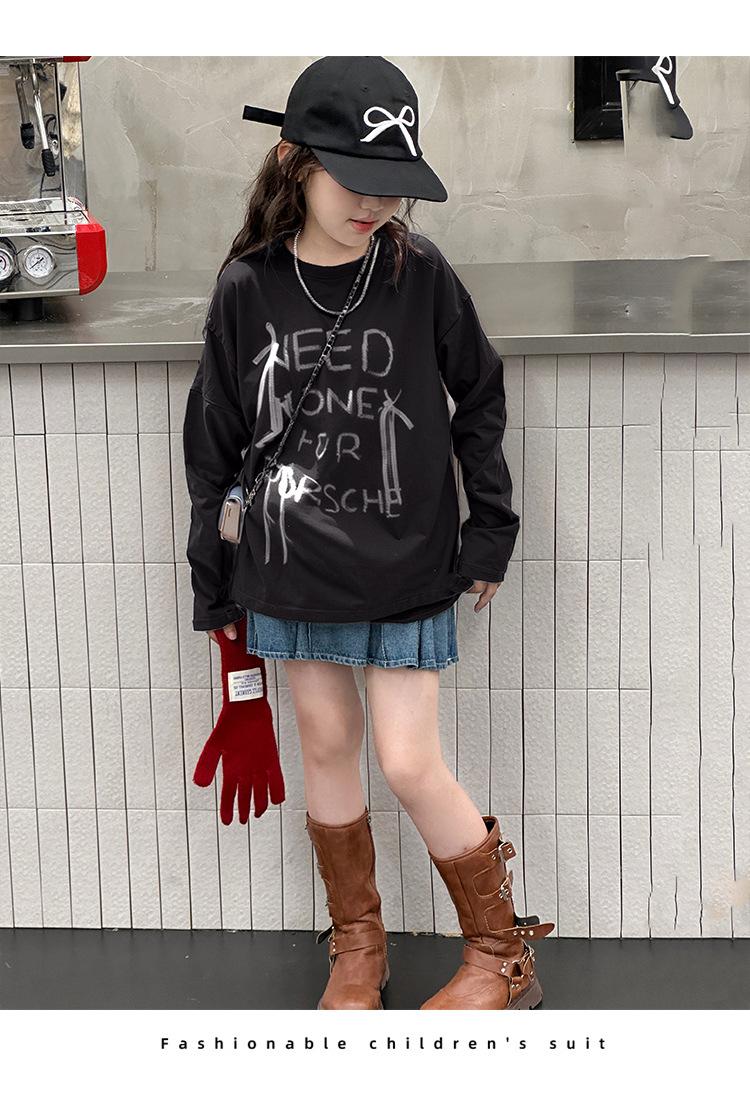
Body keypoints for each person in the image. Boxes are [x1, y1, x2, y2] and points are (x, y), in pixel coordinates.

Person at [183, 55, 554, 1011]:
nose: (377, 204)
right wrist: (212, 576)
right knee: (325, 740)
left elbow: (479, 396)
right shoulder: (248, 287)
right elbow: (214, 442)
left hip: (407, 560)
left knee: (408, 758)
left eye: (394, 185)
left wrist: (491, 528)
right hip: (290, 561)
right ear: (295, 162)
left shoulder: (418, 273)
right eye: (356, 180)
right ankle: (358, 947)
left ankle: (500, 955)